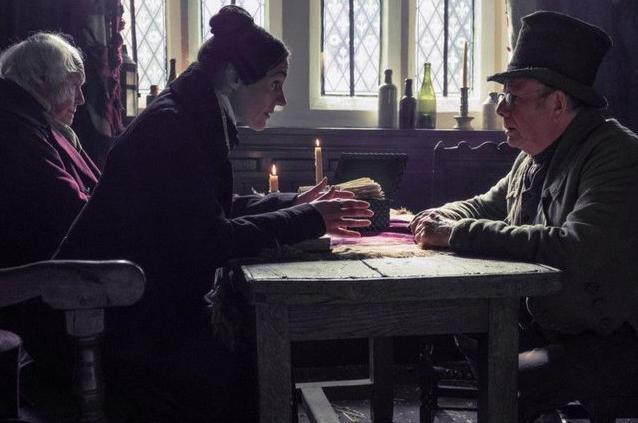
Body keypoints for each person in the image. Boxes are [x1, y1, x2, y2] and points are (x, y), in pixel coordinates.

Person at [55, 5, 372, 422]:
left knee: (252, 343)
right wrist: (310, 219)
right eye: (275, 84)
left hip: (137, 298)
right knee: (252, 353)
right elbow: (209, 242)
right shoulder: (175, 127)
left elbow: (200, 212)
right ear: (234, 77)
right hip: (115, 315)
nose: (282, 99)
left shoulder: (190, 111)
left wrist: (291, 203)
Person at [410, 10, 638, 422]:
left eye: (513, 97)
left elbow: (574, 247)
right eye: (501, 97)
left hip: (611, 338)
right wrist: (438, 216)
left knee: (505, 382)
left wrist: (457, 232)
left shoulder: (616, 154)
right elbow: (486, 204)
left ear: (558, 103)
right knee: (466, 321)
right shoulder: (535, 155)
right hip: (551, 323)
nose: (501, 109)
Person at [0, 32, 99, 268]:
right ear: (41, 79)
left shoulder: (35, 122)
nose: (81, 99)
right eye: (74, 84)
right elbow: (71, 210)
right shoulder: (17, 132)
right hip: (41, 282)